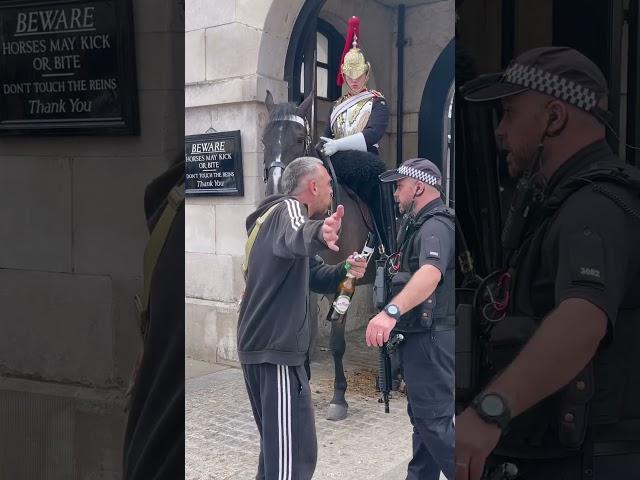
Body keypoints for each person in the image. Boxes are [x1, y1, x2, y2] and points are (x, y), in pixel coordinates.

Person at [456, 46, 640, 480]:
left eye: (509, 113)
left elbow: (583, 317)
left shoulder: (595, 207)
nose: (500, 131)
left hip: (589, 463)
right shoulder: (562, 206)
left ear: (553, 118)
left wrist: (489, 412)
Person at [238, 156, 368, 480]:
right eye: (327, 184)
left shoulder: (271, 218)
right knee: (290, 463)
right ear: (312, 186)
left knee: (280, 455)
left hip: (268, 349)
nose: (330, 191)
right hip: (275, 353)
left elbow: (314, 274)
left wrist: (345, 269)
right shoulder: (291, 211)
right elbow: (299, 234)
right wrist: (320, 234)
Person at [366, 158, 456, 480]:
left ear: (418, 186)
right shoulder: (417, 224)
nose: (395, 194)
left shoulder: (436, 225)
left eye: (400, 186)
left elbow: (430, 273)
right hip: (420, 338)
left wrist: (390, 312)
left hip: (432, 340)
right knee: (424, 421)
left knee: (434, 423)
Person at [318, 15, 392, 252]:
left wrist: (338, 146)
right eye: (350, 75)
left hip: (364, 162)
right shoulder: (336, 106)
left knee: (380, 197)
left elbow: (372, 135)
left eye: (358, 75)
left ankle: (387, 248)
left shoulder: (376, 102)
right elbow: (326, 135)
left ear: (366, 73)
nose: (354, 80)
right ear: (344, 74)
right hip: (336, 165)